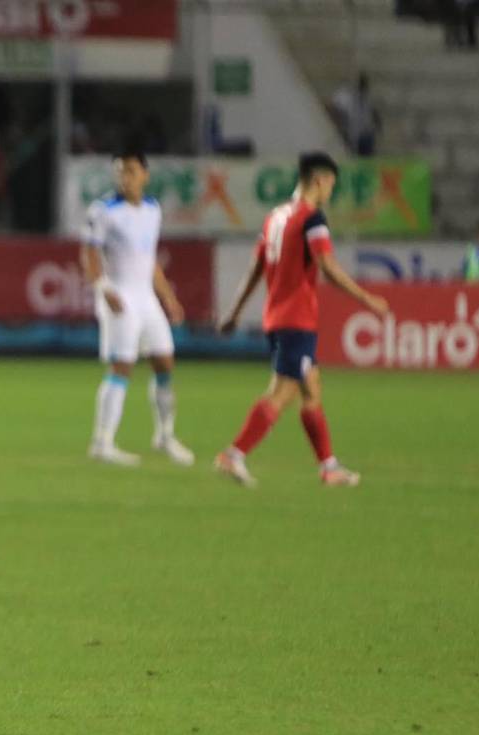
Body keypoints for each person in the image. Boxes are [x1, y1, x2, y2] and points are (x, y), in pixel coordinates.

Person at [215, 152, 390, 487]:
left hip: (276, 316)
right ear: (320, 180)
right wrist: (367, 299)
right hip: (297, 319)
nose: (330, 192)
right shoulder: (312, 219)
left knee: (311, 388)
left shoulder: (275, 217)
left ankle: (329, 467)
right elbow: (327, 266)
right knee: (283, 392)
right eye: (331, 185)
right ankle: (234, 454)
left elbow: (256, 267)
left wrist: (235, 311)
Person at [80, 148, 194, 468]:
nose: (124, 178)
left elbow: (149, 260)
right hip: (120, 297)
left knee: (165, 363)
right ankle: (102, 442)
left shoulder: (152, 210)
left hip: (146, 298)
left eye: (130, 171)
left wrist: (168, 297)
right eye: (119, 171)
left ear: (145, 174)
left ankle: (165, 435)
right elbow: (89, 254)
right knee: (122, 366)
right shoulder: (103, 210)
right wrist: (103, 288)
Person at [329, 73, 381, 156]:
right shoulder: (353, 98)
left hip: (366, 132)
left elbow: (374, 112)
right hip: (356, 133)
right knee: (358, 154)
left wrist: (377, 124)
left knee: (367, 155)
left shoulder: (366, 98)